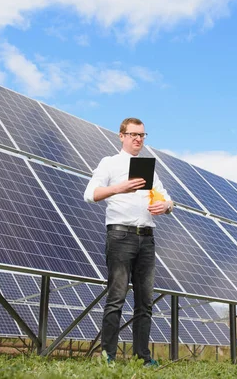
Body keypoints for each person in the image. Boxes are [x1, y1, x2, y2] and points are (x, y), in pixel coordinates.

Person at [83, 117, 173, 366]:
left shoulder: (148, 169)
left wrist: (166, 206)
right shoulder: (110, 163)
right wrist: (119, 188)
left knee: (145, 302)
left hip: (147, 239)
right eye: (133, 134)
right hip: (121, 237)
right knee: (116, 298)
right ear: (121, 136)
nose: (138, 139)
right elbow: (90, 194)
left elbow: (167, 199)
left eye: (142, 135)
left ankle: (142, 357)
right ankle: (108, 356)